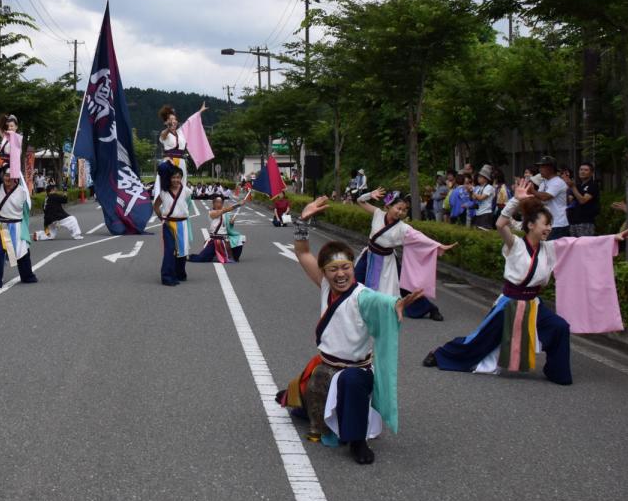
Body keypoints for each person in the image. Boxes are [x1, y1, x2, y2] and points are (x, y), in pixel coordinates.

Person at [424, 182, 628, 385]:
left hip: (533, 304)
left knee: (559, 327)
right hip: (509, 303)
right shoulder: (514, 244)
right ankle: (441, 354)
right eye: (546, 224)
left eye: (550, 224)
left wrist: (613, 238)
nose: (549, 228)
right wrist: (515, 201)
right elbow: (500, 224)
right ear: (531, 225)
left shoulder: (551, 248)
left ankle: (557, 372)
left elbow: (579, 244)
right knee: (480, 340)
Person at [275, 197, 426, 465]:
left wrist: (396, 305)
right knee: (298, 405)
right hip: (324, 366)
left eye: (346, 267)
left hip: (356, 372)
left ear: (353, 268)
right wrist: (303, 221)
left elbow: (381, 302)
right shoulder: (324, 285)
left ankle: (357, 441)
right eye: (333, 269)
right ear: (325, 272)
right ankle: (304, 403)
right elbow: (302, 252)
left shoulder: (363, 295)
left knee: (351, 384)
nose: (341, 274)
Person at [353, 188, 455, 321]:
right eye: (398, 208)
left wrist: (438, 246)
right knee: (354, 280)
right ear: (389, 206)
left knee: (405, 288)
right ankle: (349, 306)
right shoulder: (378, 213)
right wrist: (370, 195)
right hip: (369, 256)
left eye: (404, 210)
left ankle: (430, 308)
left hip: (387, 261)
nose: (400, 212)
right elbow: (360, 201)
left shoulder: (403, 228)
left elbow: (420, 237)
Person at [0, 171, 37, 288]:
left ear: (15, 177)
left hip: (17, 225)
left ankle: (27, 275)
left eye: (10, 175)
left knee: (22, 252)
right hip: (3, 226)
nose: (7, 178)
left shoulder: (22, 191)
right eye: (5, 175)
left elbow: (27, 209)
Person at [153, 103, 208, 198]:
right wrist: (168, 127)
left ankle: (179, 208)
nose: (173, 121)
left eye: (174, 119)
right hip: (169, 162)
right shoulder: (164, 133)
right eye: (170, 119)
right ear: (166, 122)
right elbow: (164, 135)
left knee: (181, 186)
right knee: (168, 186)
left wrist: (200, 112)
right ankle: (167, 208)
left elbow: (190, 121)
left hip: (181, 162)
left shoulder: (181, 132)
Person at [153, 164, 192, 286]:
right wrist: (161, 218)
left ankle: (180, 273)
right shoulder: (164, 192)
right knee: (170, 250)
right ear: (169, 178)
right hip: (169, 224)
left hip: (183, 224)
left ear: (181, 178)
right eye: (173, 177)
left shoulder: (186, 191)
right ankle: (167, 277)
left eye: (178, 177)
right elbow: (156, 206)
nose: (176, 180)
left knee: (182, 251)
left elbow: (188, 206)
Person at [189, 193, 248, 263]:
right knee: (201, 258)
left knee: (238, 244)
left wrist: (231, 223)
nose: (219, 204)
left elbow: (228, 227)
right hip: (215, 241)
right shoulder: (212, 213)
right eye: (217, 202)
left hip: (225, 240)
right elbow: (225, 210)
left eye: (221, 202)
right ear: (213, 203)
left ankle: (223, 255)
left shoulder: (225, 214)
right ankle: (187, 257)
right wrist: (238, 204)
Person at [534, 155, 569, 239]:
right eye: (539, 166)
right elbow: (538, 198)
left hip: (558, 224)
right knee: (547, 250)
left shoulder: (558, 182)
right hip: (548, 223)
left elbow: (545, 197)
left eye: (542, 166)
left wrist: (532, 191)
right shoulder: (544, 182)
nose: (540, 169)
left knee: (556, 251)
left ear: (551, 168)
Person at [564, 162, 601, 237]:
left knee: (584, 246)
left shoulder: (593, 185)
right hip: (573, 221)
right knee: (574, 247)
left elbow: (583, 200)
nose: (582, 172)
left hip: (585, 222)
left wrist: (573, 187)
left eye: (586, 170)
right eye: (581, 169)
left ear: (591, 173)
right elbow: (570, 201)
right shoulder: (578, 185)